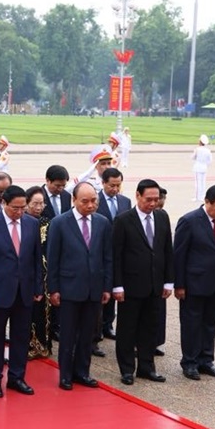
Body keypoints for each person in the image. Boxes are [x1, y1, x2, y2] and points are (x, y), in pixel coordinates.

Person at [0, 185, 43, 398]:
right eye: (15, 208)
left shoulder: (32, 224)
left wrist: (38, 287)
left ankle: (17, 376)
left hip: (24, 291)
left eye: (23, 207)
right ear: (4, 203)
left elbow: (36, 259)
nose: (20, 212)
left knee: (21, 337)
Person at [47, 183, 111, 390]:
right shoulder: (59, 223)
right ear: (73, 200)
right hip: (69, 288)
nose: (90, 205)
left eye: (94, 201)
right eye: (85, 201)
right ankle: (65, 375)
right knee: (67, 335)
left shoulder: (102, 222)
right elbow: (53, 258)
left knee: (87, 334)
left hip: (94, 288)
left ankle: (82, 372)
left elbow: (107, 257)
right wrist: (53, 289)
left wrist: (106, 287)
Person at [112, 179, 174, 386]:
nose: (153, 203)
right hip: (130, 286)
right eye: (149, 199)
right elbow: (116, 255)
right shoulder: (123, 220)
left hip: (155, 285)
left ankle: (147, 367)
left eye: (156, 199)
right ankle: (127, 369)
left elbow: (167, 250)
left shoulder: (162, 217)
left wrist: (168, 281)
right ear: (138, 196)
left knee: (150, 328)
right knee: (127, 329)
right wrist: (117, 285)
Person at [174, 184, 215, 381]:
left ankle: (206, 360)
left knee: (211, 323)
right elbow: (179, 255)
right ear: (207, 201)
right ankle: (190, 362)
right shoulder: (189, 221)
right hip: (194, 283)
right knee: (191, 324)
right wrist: (179, 285)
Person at [95, 167, 132, 343]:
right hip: (100, 252)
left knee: (115, 288)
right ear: (103, 183)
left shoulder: (125, 201)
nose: (115, 189)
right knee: (102, 291)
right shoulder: (95, 200)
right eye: (112, 185)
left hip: (120, 254)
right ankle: (97, 327)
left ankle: (108, 324)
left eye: (118, 185)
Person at [25, 186, 53, 359]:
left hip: (45, 274)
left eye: (41, 203)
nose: (38, 207)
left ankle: (43, 345)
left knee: (44, 312)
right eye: (34, 203)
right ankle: (27, 345)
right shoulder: (22, 222)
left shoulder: (48, 223)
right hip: (27, 272)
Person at [154, 187, 169, 356]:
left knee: (158, 311)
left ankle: (155, 342)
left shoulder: (163, 216)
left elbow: (168, 248)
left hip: (159, 273)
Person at [191, 135, 213, 202]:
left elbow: (193, 157)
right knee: (203, 183)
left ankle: (198, 197)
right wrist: (205, 164)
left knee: (198, 183)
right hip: (204, 167)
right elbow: (210, 160)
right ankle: (203, 196)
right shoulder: (208, 150)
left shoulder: (197, 149)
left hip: (198, 167)